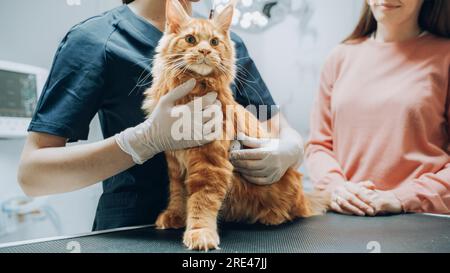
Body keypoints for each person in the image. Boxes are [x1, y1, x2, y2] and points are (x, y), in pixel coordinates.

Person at [17, 0, 304, 231]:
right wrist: (143, 140)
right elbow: (33, 175)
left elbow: (278, 128)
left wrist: (291, 148)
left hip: (233, 232)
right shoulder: (94, 40)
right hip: (135, 233)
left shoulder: (227, 43)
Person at [306, 0, 450, 216]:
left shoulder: (445, 56)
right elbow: (318, 146)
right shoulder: (340, 57)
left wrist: (403, 197)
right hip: (345, 219)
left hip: (418, 221)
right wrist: (337, 188)